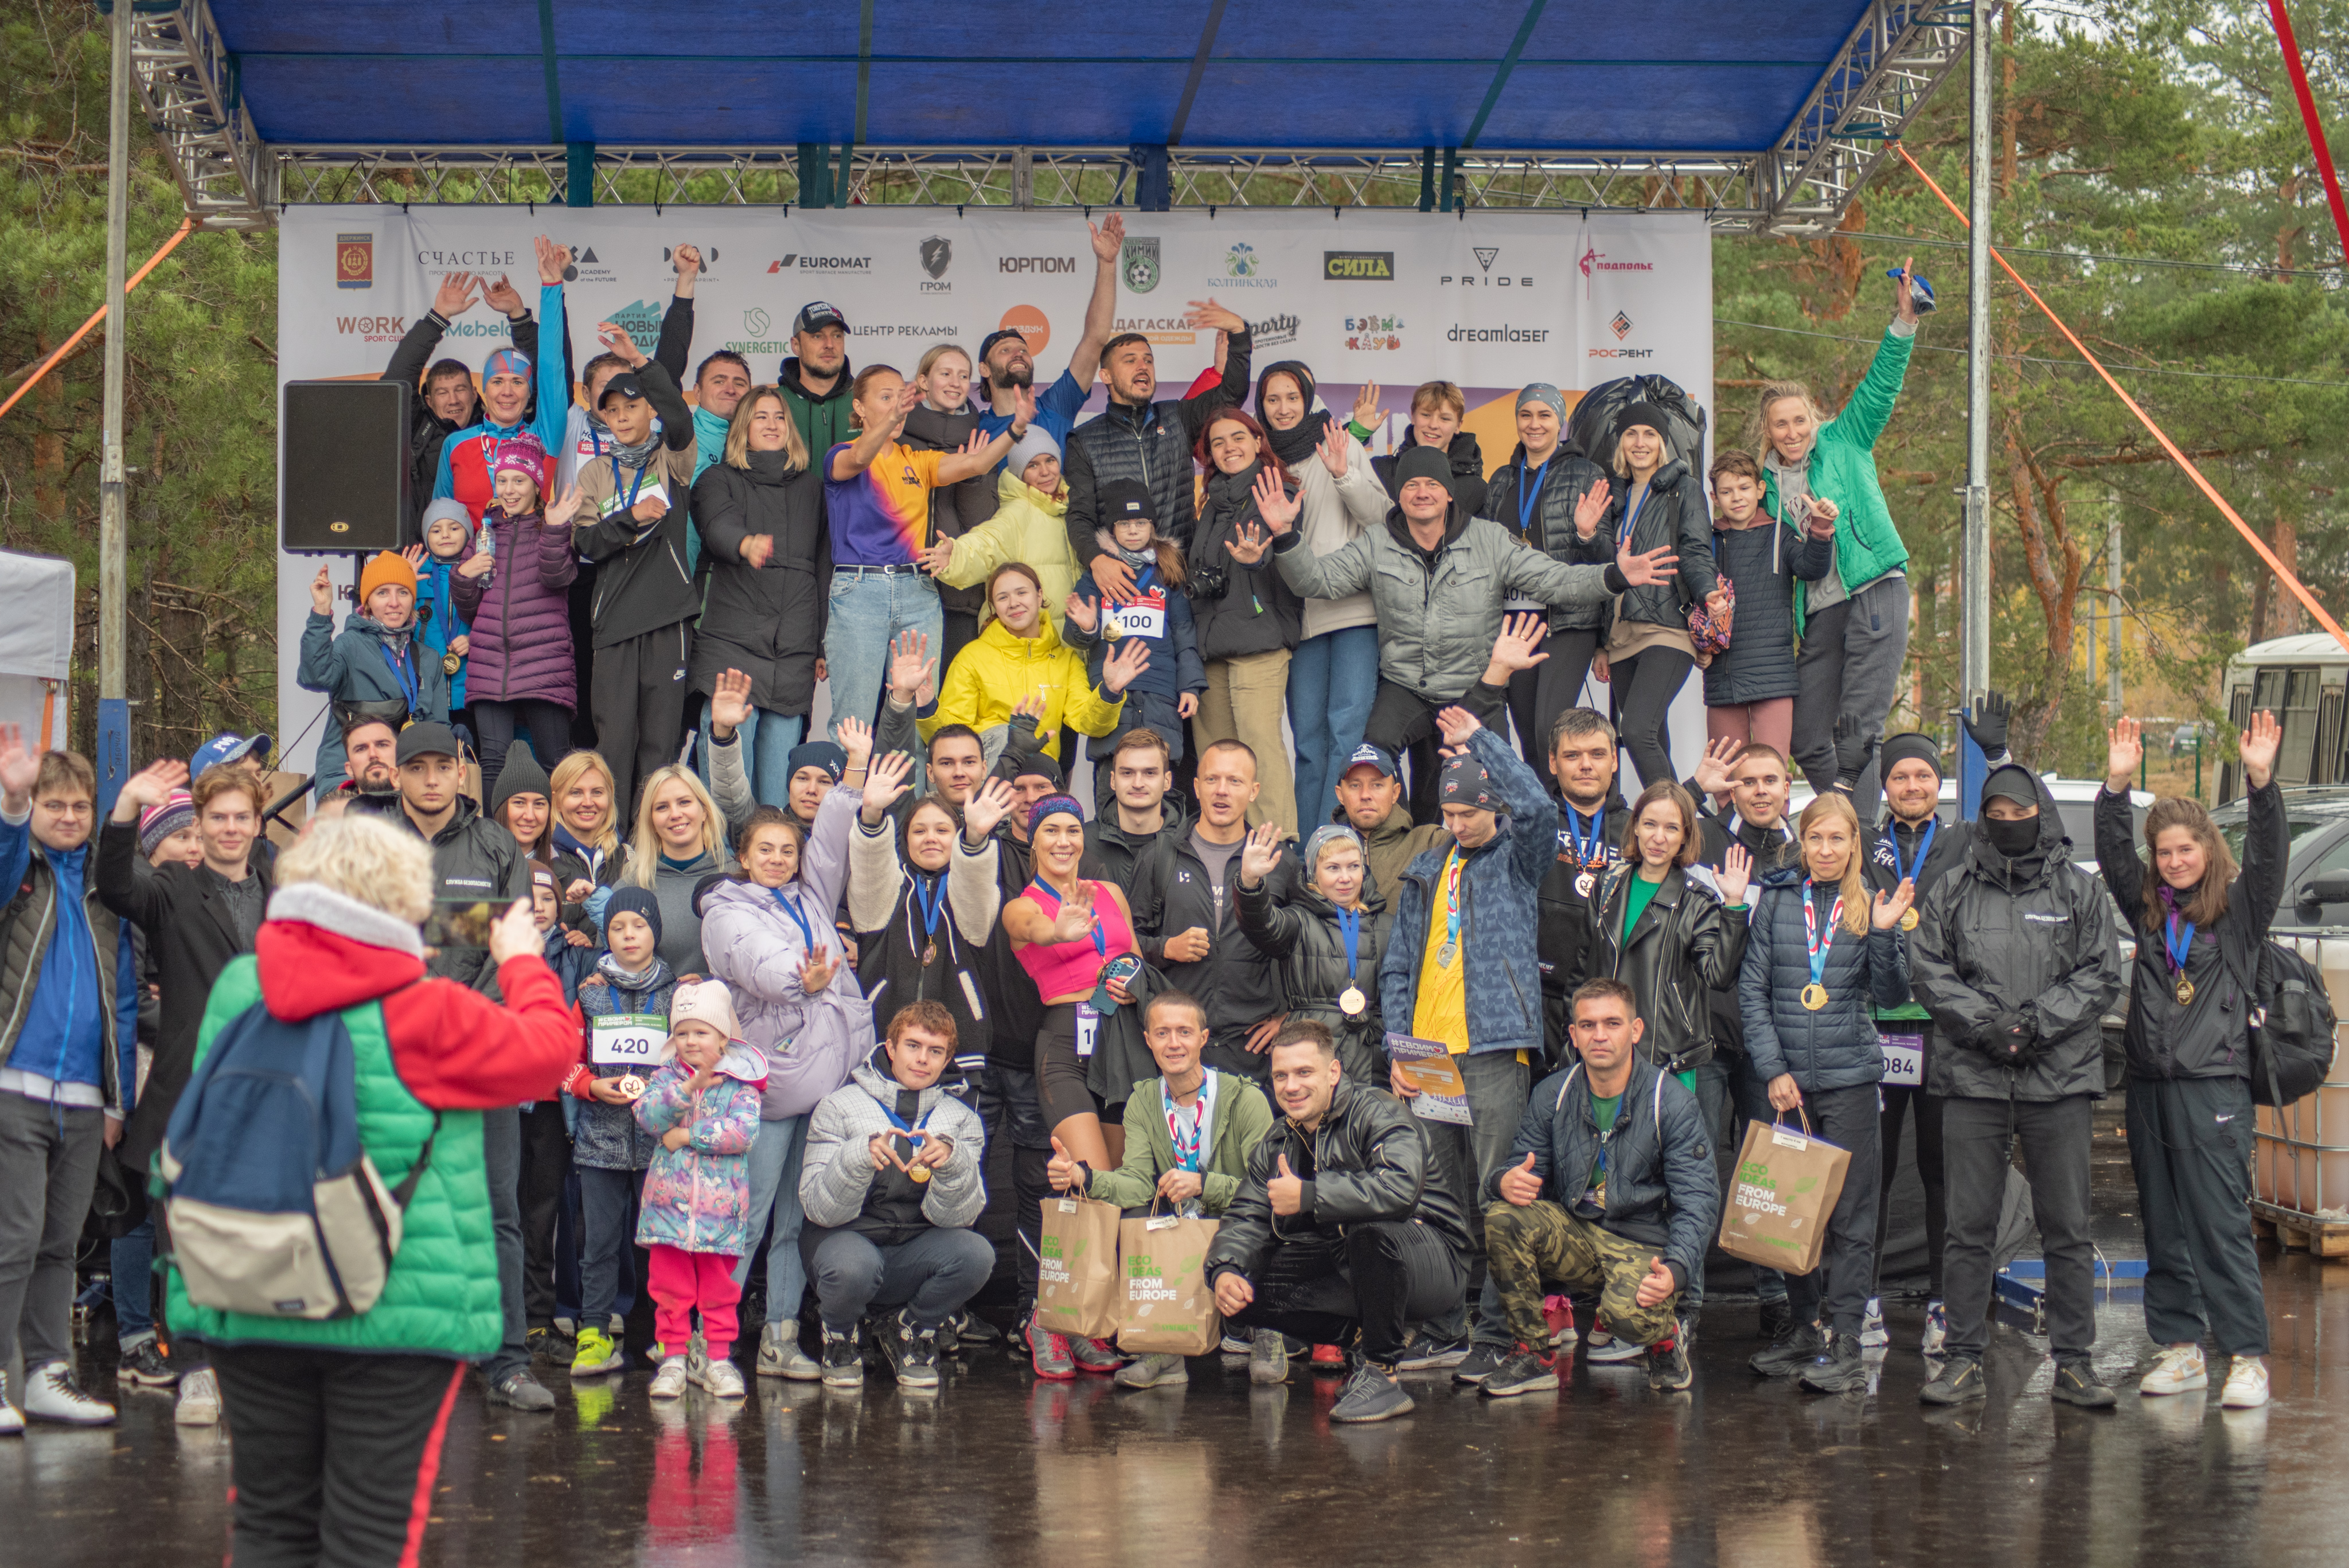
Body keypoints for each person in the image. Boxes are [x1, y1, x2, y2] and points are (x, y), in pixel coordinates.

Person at [163, 816, 576, 1562]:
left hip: (250, 1282)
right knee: (369, 1540)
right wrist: (520, 960)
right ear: (404, 903)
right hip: (394, 1307)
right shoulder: (430, 1009)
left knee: (267, 1526)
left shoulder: (240, 986)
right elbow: (548, 1054)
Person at [351, 722, 551, 1412]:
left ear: (462, 772)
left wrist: (462, 1024)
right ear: (398, 775)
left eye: (444, 766)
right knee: (389, 1204)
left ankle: (508, 1361)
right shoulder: (371, 842)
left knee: (496, 1210)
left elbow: (512, 945)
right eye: (418, 768)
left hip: (476, 1055)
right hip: (392, 1059)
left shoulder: (497, 845)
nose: (432, 779)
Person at [1910, 763, 2124, 1408]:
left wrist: (2035, 1023)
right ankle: (1962, 1358)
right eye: (1996, 815)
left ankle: (2075, 1363)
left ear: (2042, 814)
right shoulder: (1952, 888)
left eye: (2019, 814)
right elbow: (1928, 968)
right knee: (1967, 1225)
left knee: (2067, 1226)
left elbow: (2100, 972)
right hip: (1973, 1077)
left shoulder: (2079, 889)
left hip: (2057, 1078)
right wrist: (1986, 1026)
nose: (2008, 824)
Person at [2097, 711, 2287, 1410]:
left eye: (2186, 849)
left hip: (2214, 1089)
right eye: (2164, 852)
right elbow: (2113, 857)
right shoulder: (2150, 912)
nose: (2175, 861)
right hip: (2149, 1088)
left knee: (2218, 1224)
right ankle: (2181, 1349)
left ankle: (2246, 1357)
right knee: (2163, 1223)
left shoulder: (2237, 914)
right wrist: (2115, 787)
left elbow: (2268, 859)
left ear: (2207, 848)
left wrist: (2261, 784)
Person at [1267, 444, 1675, 767]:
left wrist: (1615, 575)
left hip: (1475, 689)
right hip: (1405, 687)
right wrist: (1285, 534)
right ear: (1399, 496)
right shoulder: (1376, 543)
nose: (1422, 493)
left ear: (1449, 493)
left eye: (1432, 484)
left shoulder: (1490, 539)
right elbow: (1316, 581)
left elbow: (1555, 580)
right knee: (1370, 763)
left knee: (1500, 777)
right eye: (1411, 485)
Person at [1369, 704, 1551, 1377]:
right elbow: (1396, 966)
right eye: (1448, 813)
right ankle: (1446, 1326)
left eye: (1468, 813)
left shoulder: (1517, 858)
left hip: (1494, 1049)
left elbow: (1538, 807)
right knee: (1440, 1197)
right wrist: (1397, 1047)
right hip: (1429, 1057)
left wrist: (1482, 741)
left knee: (1498, 1194)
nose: (1457, 824)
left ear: (1491, 807)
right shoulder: (1426, 866)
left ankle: (1501, 1332)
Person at [97, 755, 273, 1425]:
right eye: (217, 818)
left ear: (258, 823)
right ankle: (196, 1368)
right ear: (198, 825)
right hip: (189, 1097)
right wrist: (124, 810)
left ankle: (249, 1370)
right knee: (183, 1240)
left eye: (240, 817)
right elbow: (116, 884)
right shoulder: (173, 886)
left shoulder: (284, 894)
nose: (229, 828)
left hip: (268, 1095)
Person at [699, 724, 877, 1379]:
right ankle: (711, 1344)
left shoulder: (811, 896)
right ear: (744, 857)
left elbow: (831, 838)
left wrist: (854, 770)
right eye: (765, 850)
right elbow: (758, 964)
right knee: (747, 1218)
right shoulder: (726, 909)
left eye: (787, 850)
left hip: (827, 1084)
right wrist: (805, 979)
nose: (778, 859)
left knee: (796, 1223)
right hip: (773, 1085)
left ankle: (779, 1337)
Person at [1205, 1019, 1473, 1420]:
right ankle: (1365, 1345)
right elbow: (1247, 1216)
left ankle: (1383, 1373)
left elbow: (1400, 1189)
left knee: (1368, 1230)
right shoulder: (1278, 1139)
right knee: (1243, 1291)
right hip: (1350, 1258)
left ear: (1333, 1072)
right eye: (1281, 1076)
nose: (1291, 1086)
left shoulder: (1377, 1110)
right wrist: (1226, 1270)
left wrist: (1309, 1195)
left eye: (1304, 1072)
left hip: (1432, 1257)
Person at [1740, 792, 1915, 1393]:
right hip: (1788, 1086)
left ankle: (1845, 1340)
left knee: (1850, 1217)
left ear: (1853, 844)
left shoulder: (1868, 904)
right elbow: (1752, 992)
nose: (1825, 849)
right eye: (1815, 837)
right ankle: (1803, 1330)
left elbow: (1892, 996)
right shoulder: (1777, 901)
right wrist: (1772, 1069)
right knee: (1792, 1213)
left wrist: (1886, 936)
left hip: (1850, 1082)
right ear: (1802, 841)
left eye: (1837, 838)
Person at [1479, 977, 1719, 1396]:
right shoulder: (1553, 1093)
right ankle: (1533, 1355)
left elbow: (1698, 1200)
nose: (1600, 1035)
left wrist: (1677, 1270)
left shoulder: (1670, 1100)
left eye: (1612, 1023)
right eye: (1588, 1026)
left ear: (1636, 1030)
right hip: (1578, 1234)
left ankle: (1664, 1341)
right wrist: (1504, 1179)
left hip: (1641, 1243)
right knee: (1503, 1217)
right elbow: (1520, 1165)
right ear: (1573, 1035)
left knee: (1630, 1318)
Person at [0, 736, 136, 1432]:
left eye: (80, 806)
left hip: (85, 1098)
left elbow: (126, 999)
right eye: (55, 804)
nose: (69, 816)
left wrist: (118, 1098)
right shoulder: (19, 872)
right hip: (15, 1087)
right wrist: (14, 800)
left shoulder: (105, 893)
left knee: (60, 1240)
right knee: (13, 1237)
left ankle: (47, 1372)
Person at [1045, 988, 1278, 1390]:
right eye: (1163, 1033)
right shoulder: (1143, 1101)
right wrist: (1085, 1178)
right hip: (1183, 1221)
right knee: (1136, 1215)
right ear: (1148, 1041)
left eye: (1184, 1032)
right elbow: (1137, 1183)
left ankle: (1267, 1330)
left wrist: (1203, 1185)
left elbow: (1265, 1189)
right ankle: (1163, 1350)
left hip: (1237, 1219)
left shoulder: (1246, 1099)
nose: (1174, 1043)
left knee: (1271, 1222)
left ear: (1203, 1038)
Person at [1761, 259, 1927, 812]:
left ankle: (1863, 836)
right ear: (1768, 431)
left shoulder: (1845, 439)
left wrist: (1904, 323)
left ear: (1813, 419)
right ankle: (1850, 821)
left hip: (1873, 587)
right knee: (1809, 735)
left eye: (1799, 421)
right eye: (1780, 425)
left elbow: (1880, 387)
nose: (1792, 433)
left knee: (1860, 729)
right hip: (1820, 609)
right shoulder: (1763, 488)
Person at [822, 365, 1033, 740]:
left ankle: (918, 784)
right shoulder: (841, 454)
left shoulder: (915, 460)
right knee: (853, 721)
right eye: (885, 398)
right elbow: (858, 460)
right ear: (859, 407)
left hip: (916, 593)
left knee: (919, 718)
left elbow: (977, 463)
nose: (897, 408)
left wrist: (1016, 429)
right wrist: (892, 419)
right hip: (860, 592)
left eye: (900, 399)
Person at [799, 1002, 992, 1389]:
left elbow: (960, 1219)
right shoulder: (838, 1105)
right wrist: (859, 1156)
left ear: (947, 1060)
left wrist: (953, 1164)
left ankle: (913, 1330)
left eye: (935, 1051)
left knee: (977, 1254)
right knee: (854, 1266)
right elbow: (819, 1209)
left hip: (912, 1251)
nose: (922, 1059)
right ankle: (840, 1336)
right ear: (890, 1047)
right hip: (845, 1243)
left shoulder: (962, 1120)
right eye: (913, 1046)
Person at [1255, 362, 1390, 831]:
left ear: (1307, 399)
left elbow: (1383, 520)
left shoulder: (1340, 443)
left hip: (1352, 614)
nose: (1284, 408)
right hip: (1297, 621)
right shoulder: (1262, 462)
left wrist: (1343, 474)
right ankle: (1306, 849)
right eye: (1273, 399)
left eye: (1292, 397)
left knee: (1346, 736)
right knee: (1309, 743)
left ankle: (1336, 845)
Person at [689, 384, 832, 807]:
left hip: (793, 651)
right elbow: (716, 524)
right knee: (726, 787)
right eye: (761, 417)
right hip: (731, 646)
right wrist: (744, 543)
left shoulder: (813, 489)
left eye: (779, 417)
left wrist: (821, 643)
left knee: (776, 797)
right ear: (742, 429)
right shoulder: (718, 479)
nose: (772, 425)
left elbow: (824, 568)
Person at [573, 359, 703, 820]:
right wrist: (631, 517)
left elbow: (681, 418)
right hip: (614, 621)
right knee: (613, 741)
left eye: (632, 406)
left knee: (660, 743)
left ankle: (651, 844)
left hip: (668, 616)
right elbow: (586, 543)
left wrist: (645, 364)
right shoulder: (595, 472)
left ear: (651, 410)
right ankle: (611, 843)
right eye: (612, 410)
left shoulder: (671, 459)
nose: (622, 416)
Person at [1126, 740, 1298, 1080]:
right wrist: (1167, 948)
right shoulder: (1160, 856)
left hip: (1254, 1051)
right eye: (1212, 779)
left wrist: (1290, 1017)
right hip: (1177, 1046)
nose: (1222, 791)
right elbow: (1125, 945)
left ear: (1253, 791)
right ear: (1196, 787)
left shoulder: (1279, 862)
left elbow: (1310, 950)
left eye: (1235, 781)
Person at [633, 980, 766, 1401]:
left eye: (701, 1032)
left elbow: (743, 1133)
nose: (691, 1041)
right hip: (667, 1212)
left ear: (723, 1038)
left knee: (719, 1291)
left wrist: (687, 1135)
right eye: (682, 1033)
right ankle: (673, 1359)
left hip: (719, 1214)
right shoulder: (664, 1078)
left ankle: (717, 1360)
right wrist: (686, 1091)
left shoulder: (740, 1084)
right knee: (669, 1289)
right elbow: (649, 1117)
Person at [1063, 299, 1252, 592]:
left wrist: (1239, 334)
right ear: (1106, 376)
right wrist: (1096, 560)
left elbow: (1231, 395)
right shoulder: (1084, 439)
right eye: (1130, 360)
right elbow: (1080, 517)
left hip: (1184, 575)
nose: (1143, 366)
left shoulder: (1178, 415)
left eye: (1148, 360)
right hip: (1125, 583)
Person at [565, 887, 674, 1379]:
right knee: (599, 1244)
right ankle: (593, 1334)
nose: (629, 936)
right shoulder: (589, 993)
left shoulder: (678, 994)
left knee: (661, 1245)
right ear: (604, 935)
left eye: (639, 926)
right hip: (599, 1142)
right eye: (617, 928)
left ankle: (665, 1334)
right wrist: (589, 1086)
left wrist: (665, 1093)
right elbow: (565, 1062)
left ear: (656, 932)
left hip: (660, 1145)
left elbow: (696, 1058)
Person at [1477, 384, 1613, 766]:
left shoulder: (1586, 473)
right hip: (1514, 625)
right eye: (1526, 415)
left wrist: (1586, 533)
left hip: (1567, 622)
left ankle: (1576, 802)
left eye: (1544, 415)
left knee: (1549, 729)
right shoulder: (1501, 480)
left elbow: (1608, 560)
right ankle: (1544, 805)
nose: (1534, 424)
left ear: (1560, 422)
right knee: (1528, 738)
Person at [1184, 410, 1306, 836]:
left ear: (1258, 442)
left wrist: (1258, 558)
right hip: (1211, 646)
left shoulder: (1277, 490)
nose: (1228, 447)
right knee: (1216, 758)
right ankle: (1226, 849)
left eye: (1238, 437)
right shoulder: (1211, 503)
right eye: (1217, 442)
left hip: (1259, 641)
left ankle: (1278, 848)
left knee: (1259, 749)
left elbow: (1281, 550)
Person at [845, 750, 1013, 1051]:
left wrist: (975, 839)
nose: (931, 838)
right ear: (906, 839)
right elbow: (871, 863)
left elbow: (975, 901)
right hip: (882, 1041)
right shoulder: (889, 888)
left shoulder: (968, 888)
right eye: (919, 831)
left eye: (943, 830)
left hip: (959, 1049)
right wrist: (870, 815)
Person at [1593, 403, 1723, 792]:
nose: (1640, 442)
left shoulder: (1683, 489)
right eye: (1631, 434)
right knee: (1651, 737)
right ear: (1621, 443)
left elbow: (1696, 549)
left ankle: (1677, 814)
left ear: (1663, 443)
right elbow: (1598, 569)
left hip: (1666, 627)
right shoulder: (1611, 495)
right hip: (1619, 635)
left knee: (1636, 728)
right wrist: (1600, 643)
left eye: (1650, 434)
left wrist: (1708, 591)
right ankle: (1675, 821)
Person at [450, 436, 582, 799]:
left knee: (555, 762)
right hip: (490, 664)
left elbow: (557, 578)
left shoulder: (552, 526)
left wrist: (554, 529)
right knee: (493, 761)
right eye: (502, 480)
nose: (509, 490)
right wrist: (463, 577)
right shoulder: (484, 534)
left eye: (519, 481)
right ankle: (494, 834)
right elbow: (471, 611)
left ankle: (559, 834)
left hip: (544, 661)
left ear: (537, 484)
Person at [1065, 481, 1207, 811]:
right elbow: (1074, 635)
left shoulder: (1168, 572)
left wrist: (1190, 686)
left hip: (1161, 692)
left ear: (1152, 526)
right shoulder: (1096, 574)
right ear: (1112, 529)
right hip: (1112, 692)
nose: (1133, 530)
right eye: (1124, 523)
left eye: (1140, 522)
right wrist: (1087, 626)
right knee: (1112, 775)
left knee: (1161, 779)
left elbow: (1184, 633)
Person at [922, 563, 1149, 764]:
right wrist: (927, 706)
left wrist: (1110, 692)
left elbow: (1089, 724)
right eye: (1003, 598)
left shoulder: (1067, 661)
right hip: (990, 770)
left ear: (1039, 596)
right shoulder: (972, 656)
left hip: (1041, 771)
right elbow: (950, 736)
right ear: (994, 607)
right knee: (1004, 734)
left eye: (1022, 593)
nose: (1013, 603)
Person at [385, 269, 539, 543]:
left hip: (509, 551)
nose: (453, 400)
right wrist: (438, 317)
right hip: (432, 552)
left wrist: (519, 318)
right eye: (443, 393)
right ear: (429, 401)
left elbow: (542, 380)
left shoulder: (506, 420)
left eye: (460, 390)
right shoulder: (416, 426)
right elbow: (397, 380)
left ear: (477, 394)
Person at [1238, 821, 1393, 1090]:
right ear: (1313, 874)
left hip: (1374, 1060)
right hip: (1312, 1055)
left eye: (1353, 866)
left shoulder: (1388, 924)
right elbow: (1262, 926)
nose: (1345, 877)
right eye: (1333, 868)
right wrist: (1250, 882)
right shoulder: (1299, 921)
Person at [1700, 449, 1832, 756]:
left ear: (1760, 489)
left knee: (1772, 768)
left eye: (1744, 488)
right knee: (1726, 771)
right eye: (1727, 492)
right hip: (1722, 676)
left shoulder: (1779, 533)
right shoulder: (1706, 540)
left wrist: (1820, 528)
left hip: (1774, 677)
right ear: (1714, 498)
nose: (1737, 497)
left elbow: (1811, 569)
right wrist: (1698, 647)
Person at [435, 238, 572, 523]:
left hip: (533, 552)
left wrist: (551, 285)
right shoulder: (456, 444)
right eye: (497, 381)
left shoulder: (543, 438)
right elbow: (441, 518)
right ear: (482, 391)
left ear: (530, 392)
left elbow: (552, 365)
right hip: (471, 553)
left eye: (518, 382)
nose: (507, 391)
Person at [296, 549, 451, 795]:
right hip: (347, 774)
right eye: (383, 593)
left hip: (407, 775)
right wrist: (321, 613)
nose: (394, 602)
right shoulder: (350, 645)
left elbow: (438, 726)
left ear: (413, 599)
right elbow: (314, 677)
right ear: (367, 602)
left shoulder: (429, 659)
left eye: (403, 592)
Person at [974, 215, 1124, 451]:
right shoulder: (974, 429)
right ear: (984, 369)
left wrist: (1107, 263)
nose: (1018, 354)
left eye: (1024, 350)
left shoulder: (1056, 407)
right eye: (1005, 350)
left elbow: (1095, 339)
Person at [925, 428, 1081, 639]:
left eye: (1050, 461)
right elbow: (987, 543)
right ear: (1019, 473)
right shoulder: (1017, 513)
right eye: (1033, 465)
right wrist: (955, 556)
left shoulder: (1070, 508)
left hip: (1065, 645)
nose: (1045, 472)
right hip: (1027, 644)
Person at [1536, 707, 1629, 1056]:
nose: (1586, 765)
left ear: (1614, 761)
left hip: (1608, 1004)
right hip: (1536, 996)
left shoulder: (1637, 830)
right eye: (1572, 755)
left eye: (1597, 754)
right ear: (1553, 762)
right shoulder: (1532, 823)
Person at [903, 344, 1000, 667]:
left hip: (960, 593)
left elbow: (982, 523)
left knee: (954, 693)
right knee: (901, 691)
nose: (955, 383)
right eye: (945, 374)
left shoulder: (980, 439)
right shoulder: (897, 435)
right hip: (904, 587)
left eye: (963, 376)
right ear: (923, 381)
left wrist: (973, 474)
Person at [609, 759, 752, 977]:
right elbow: (607, 967)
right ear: (651, 821)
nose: (675, 814)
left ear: (705, 811)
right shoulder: (627, 889)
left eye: (684, 802)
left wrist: (713, 985)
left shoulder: (740, 880)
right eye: (662, 807)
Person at [1329, 742, 1447, 904]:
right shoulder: (1321, 853)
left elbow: (1484, 839)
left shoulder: (1430, 842)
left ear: (1395, 793)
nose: (1365, 795)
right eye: (1355, 785)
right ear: (1340, 794)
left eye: (1377, 785)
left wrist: (1471, 768)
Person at [1082, 727, 1188, 888]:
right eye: (1127, 773)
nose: (1138, 784)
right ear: (1113, 780)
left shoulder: (1190, 845)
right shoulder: (1083, 842)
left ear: (1167, 781)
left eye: (1149, 773)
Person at [1367, 379, 1489, 518]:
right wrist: (1357, 433)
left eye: (1445, 419)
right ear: (1413, 416)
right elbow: (1347, 484)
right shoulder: (1380, 471)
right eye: (1426, 415)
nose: (1433, 425)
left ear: (1458, 425)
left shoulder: (1476, 488)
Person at [415, 500, 476, 727]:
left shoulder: (481, 571)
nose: (445, 535)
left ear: (468, 533)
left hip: (471, 690)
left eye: (454, 527)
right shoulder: (416, 575)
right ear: (426, 536)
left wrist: (474, 639)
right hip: (427, 691)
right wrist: (404, 583)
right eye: (436, 530)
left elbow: (496, 621)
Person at [775, 300, 857, 460]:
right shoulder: (774, 403)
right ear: (796, 346)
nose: (829, 345)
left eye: (837, 336)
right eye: (818, 336)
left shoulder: (865, 399)